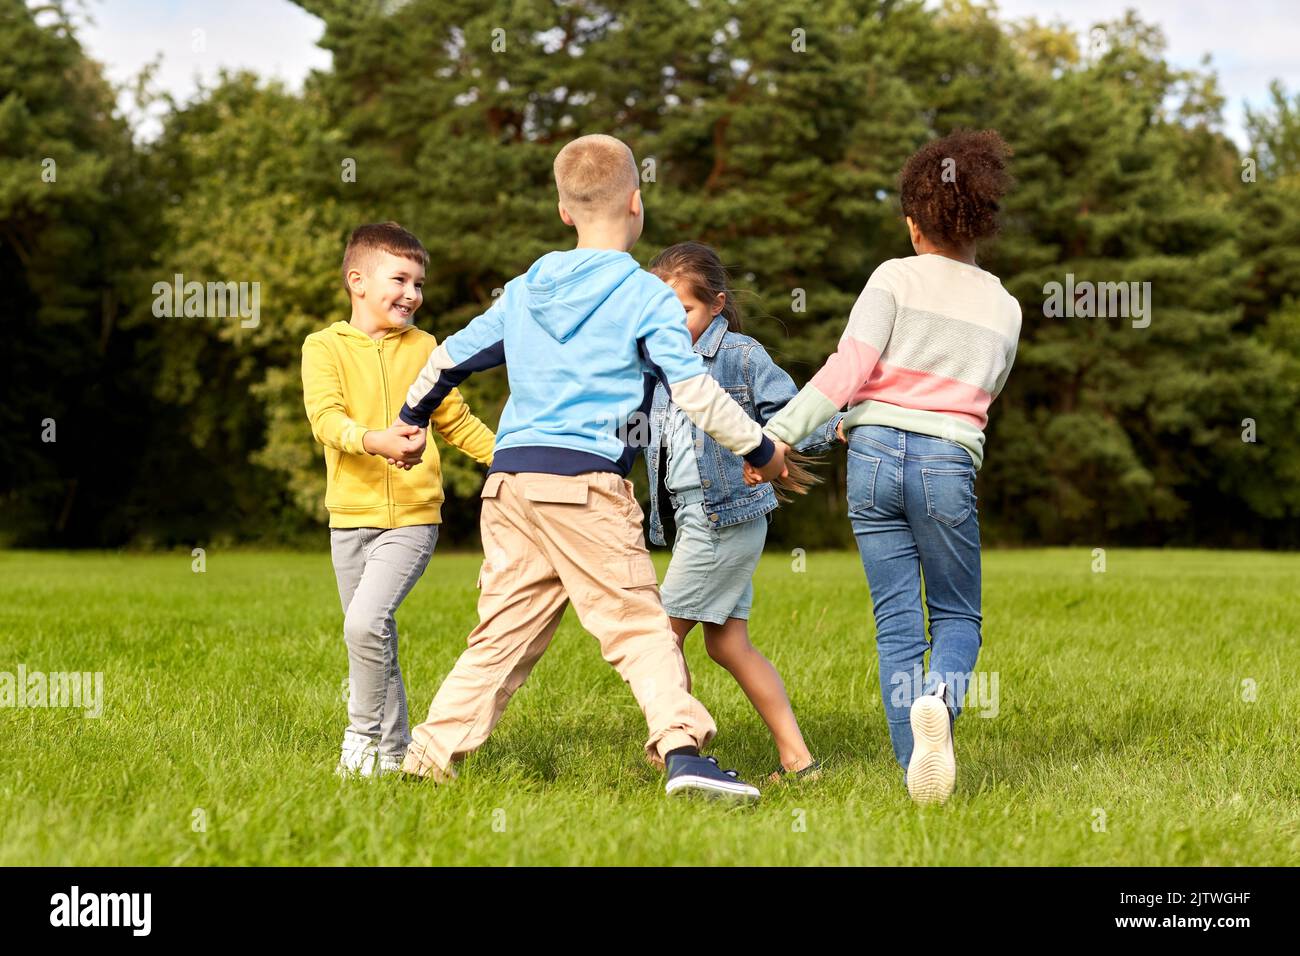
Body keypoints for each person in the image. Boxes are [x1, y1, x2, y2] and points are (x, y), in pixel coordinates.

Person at [395, 135, 788, 803]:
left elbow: (445, 360)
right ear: (636, 204)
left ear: (563, 210)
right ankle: (683, 753)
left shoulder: (525, 289)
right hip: (584, 486)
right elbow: (692, 390)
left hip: (510, 484)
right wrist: (762, 451)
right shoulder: (645, 295)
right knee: (637, 622)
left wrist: (411, 418)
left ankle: (427, 755)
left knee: (503, 631)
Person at [758, 130, 1019, 805]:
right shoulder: (1006, 307)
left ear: (913, 221)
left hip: (871, 460)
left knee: (897, 622)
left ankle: (916, 767)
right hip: (945, 468)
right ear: (980, 221)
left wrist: (774, 437)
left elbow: (850, 371)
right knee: (958, 618)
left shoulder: (892, 277)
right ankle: (938, 704)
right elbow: (971, 401)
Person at [301, 221, 495, 777]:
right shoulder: (324, 347)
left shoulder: (427, 348)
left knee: (365, 624)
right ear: (357, 280)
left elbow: (455, 421)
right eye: (401, 279)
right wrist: (374, 441)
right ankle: (393, 753)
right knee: (370, 634)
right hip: (349, 517)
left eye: (419, 283)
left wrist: (512, 455)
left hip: (411, 516)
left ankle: (360, 739)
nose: (413, 293)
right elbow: (325, 419)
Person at [644, 240, 839, 783]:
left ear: (716, 305)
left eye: (682, 309)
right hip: (690, 517)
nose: (670, 321)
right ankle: (799, 763)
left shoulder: (741, 356)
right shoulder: (657, 364)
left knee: (657, 635)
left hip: (723, 515)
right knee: (728, 643)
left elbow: (792, 411)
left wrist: (839, 424)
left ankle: (677, 744)